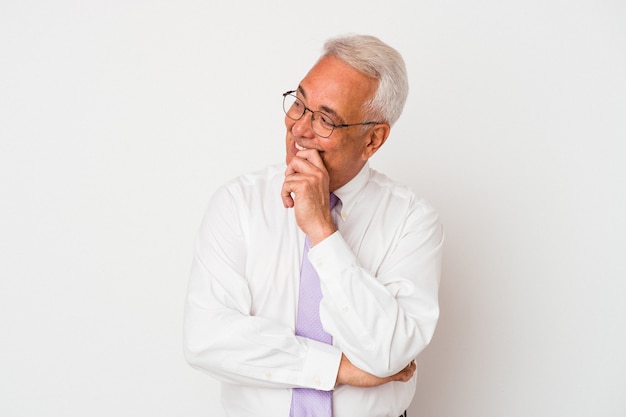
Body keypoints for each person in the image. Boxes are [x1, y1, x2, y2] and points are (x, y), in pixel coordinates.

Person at [183, 34, 443, 417]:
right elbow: (206, 339)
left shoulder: (412, 221)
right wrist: (341, 370)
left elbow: (388, 352)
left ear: (373, 140)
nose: (300, 129)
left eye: (325, 119)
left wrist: (322, 231)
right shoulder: (238, 203)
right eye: (299, 104)